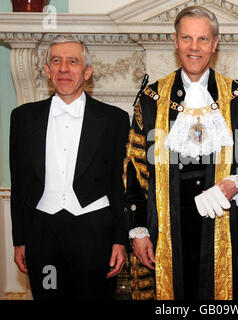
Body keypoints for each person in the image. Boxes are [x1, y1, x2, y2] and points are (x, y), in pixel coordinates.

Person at [123, 6, 238, 300]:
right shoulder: (152, 99)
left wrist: (233, 184)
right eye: (187, 38)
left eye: (202, 39)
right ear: (175, 41)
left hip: (223, 222)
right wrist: (138, 230)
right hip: (164, 224)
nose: (194, 47)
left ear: (215, 44)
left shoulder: (237, 98)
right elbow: (136, 170)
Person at [9, 35, 130, 299]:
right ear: (47, 71)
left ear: (87, 72)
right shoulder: (22, 118)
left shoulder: (114, 120)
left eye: (72, 61)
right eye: (56, 61)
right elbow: (18, 182)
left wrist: (120, 239)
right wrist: (19, 240)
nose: (64, 68)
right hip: (42, 234)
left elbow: (120, 185)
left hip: (95, 233)